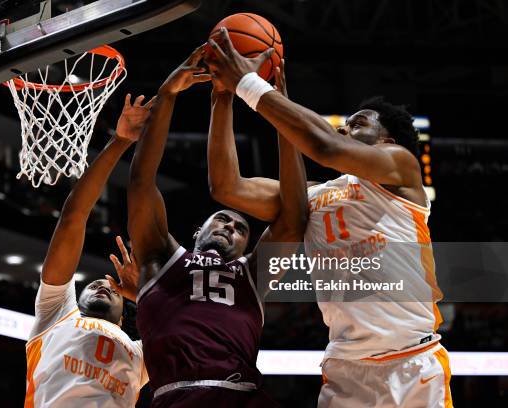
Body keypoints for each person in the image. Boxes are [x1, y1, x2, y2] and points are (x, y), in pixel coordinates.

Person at [205, 27, 452, 408]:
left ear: (388, 139)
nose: (343, 127)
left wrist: (249, 84)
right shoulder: (312, 197)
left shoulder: (400, 167)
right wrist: (222, 98)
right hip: (346, 368)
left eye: (358, 123)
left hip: (410, 360)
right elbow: (227, 187)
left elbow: (323, 145)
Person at [125, 45, 308, 407]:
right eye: (222, 219)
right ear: (197, 232)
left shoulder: (253, 273)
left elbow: (293, 219)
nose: (230, 227)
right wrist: (167, 94)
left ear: (246, 247)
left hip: (241, 396)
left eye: (241, 229)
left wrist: (279, 105)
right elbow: (141, 183)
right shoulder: (160, 258)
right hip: (175, 396)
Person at [24, 94, 154, 408]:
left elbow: (188, 325)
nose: (101, 283)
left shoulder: (139, 353)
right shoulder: (56, 315)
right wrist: (119, 142)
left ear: (124, 319)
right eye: (96, 284)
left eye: (113, 288)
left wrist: (144, 298)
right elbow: (73, 218)